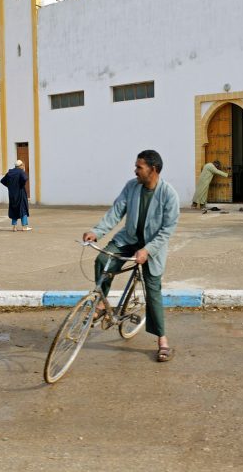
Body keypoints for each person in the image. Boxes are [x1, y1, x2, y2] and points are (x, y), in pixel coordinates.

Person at [82, 150, 180, 362]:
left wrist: (147, 250)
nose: (135, 170)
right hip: (128, 240)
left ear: (153, 170)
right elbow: (116, 212)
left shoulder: (169, 195)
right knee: (103, 260)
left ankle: (162, 340)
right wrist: (97, 232)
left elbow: (166, 231)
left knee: (153, 290)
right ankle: (101, 304)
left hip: (151, 248)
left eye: (139, 167)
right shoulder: (131, 187)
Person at [0, 159, 31, 231]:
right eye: (22, 165)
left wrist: (10, 186)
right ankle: (24, 227)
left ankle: (14, 227)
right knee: (23, 208)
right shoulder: (20, 172)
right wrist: (21, 185)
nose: (23, 166)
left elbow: (2, 181)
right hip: (20, 193)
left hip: (12, 194)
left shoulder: (10, 172)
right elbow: (25, 178)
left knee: (14, 209)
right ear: (20, 166)